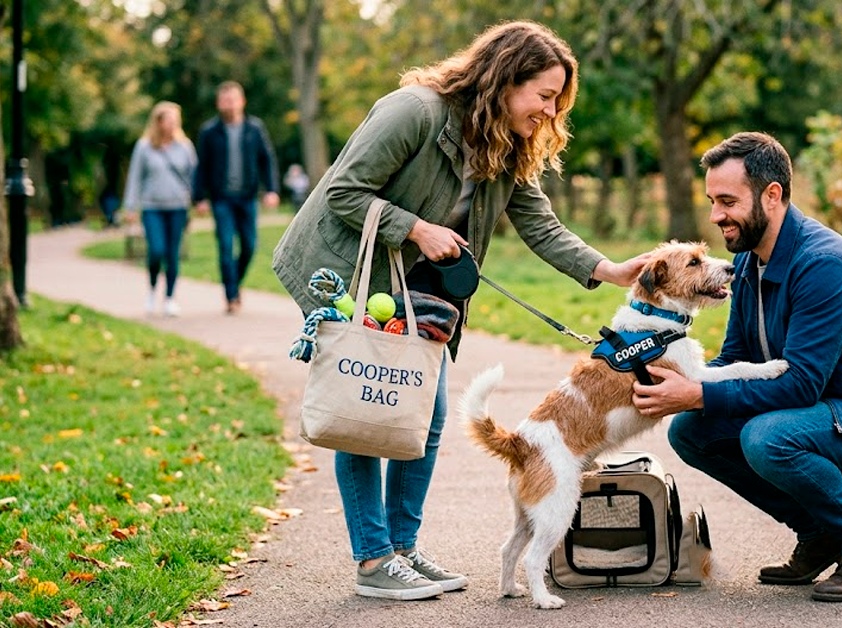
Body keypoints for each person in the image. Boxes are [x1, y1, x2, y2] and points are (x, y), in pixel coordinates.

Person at [272, 21, 649, 602]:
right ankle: (374, 560)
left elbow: (540, 226)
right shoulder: (414, 112)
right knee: (369, 410)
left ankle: (401, 549)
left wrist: (612, 270)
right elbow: (343, 192)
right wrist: (416, 228)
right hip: (353, 270)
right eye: (544, 96)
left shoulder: (508, 145)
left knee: (423, 416)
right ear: (504, 80)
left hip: (425, 288)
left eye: (558, 101)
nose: (551, 113)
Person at [632, 132, 842, 602]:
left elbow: (801, 386)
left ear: (772, 196)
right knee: (692, 430)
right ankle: (820, 533)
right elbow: (734, 359)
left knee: (767, 437)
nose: (716, 216)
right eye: (712, 201)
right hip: (828, 411)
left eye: (728, 201)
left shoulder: (822, 264)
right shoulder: (751, 263)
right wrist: (674, 380)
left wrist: (700, 393)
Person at [193, 80, 281, 314]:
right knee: (225, 245)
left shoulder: (254, 128)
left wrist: (272, 190)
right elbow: (201, 166)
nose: (229, 104)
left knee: (250, 246)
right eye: (224, 100)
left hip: (247, 197)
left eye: (232, 99)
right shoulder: (210, 132)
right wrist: (199, 197)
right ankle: (231, 295)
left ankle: (234, 282)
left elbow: (266, 159)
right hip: (221, 198)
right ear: (218, 103)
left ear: (242, 101)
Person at [121, 101, 198, 317]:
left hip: (178, 207)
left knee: (173, 254)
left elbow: (194, 177)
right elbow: (135, 177)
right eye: (168, 120)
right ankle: (153, 289)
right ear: (158, 122)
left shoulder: (184, 146)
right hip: (152, 207)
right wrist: (130, 206)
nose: (173, 124)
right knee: (156, 251)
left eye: (175, 120)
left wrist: (198, 200)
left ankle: (170, 298)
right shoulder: (144, 146)